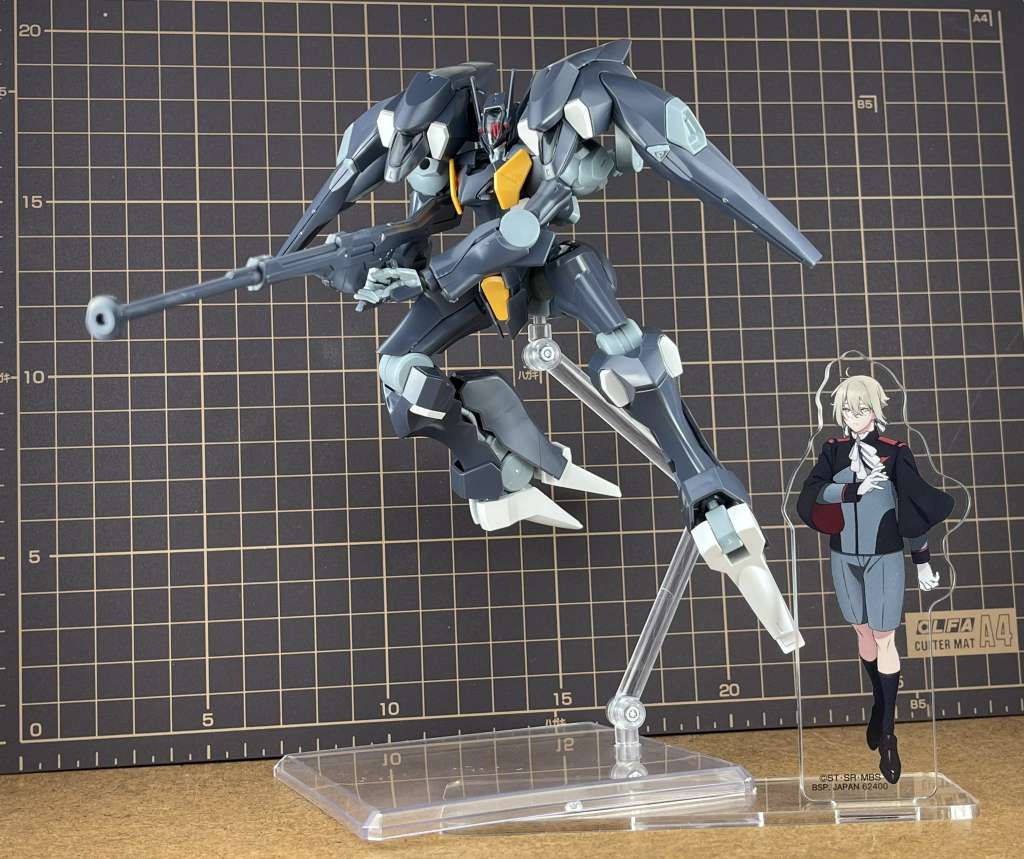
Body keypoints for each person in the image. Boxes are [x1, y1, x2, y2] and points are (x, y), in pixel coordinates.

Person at [797, 375, 953, 783]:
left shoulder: (895, 452)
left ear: (876, 410)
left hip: (885, 556)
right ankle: (880, 702)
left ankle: (888, 734)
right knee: (863, 634)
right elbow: (812, 494)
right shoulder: (833, 450)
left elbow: (913, 509)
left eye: (862, 409)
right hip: (842, 556)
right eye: (848, 410)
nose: (854, 416)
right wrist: (853, 489)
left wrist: (922, 562)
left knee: (885, 638)